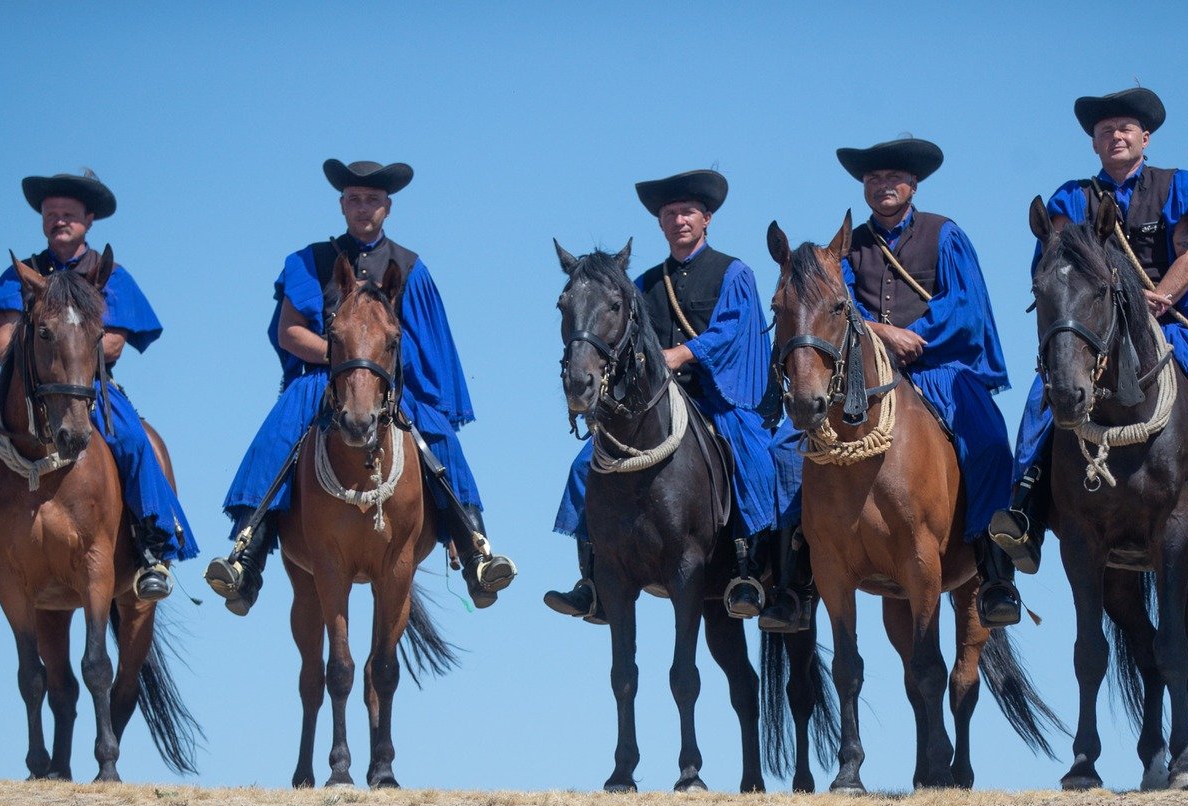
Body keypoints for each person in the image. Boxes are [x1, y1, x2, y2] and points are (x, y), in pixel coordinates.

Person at [995, 87, 1188, 589]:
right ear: (1094, 144)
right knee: (1046, 392)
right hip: (1098, 331)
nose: (1116, 136)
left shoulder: (1177, 185)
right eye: (1105, 131)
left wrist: (1159, 298)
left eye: (1125, 128)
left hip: (1163, 325)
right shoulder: (1071, 198)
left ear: (1145, 138)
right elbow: (1056, 259)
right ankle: (1025, 506)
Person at [207, 159, 516, 613]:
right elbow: (289, 333)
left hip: (389, 383)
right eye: (354, 199)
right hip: (324, 378)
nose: (363, 207)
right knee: (278, 434)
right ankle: (246, 558)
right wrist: (343, 359)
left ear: (387, 208)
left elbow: (426, 345)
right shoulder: (310, 261)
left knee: (440, 440)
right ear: (341, 205)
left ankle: (475, 551)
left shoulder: (410, 267)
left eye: (372, 200)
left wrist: (377, 370)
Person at [0, 170, 194, 624]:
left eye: (69, 214)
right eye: (51, 214)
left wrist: (67, 345)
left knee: (135, 443)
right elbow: (3, 340)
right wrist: (41, 351)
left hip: (90, 386)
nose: (59, 220)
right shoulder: (22, 272)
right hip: (23, 385)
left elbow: (114, 343)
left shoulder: (107, 274)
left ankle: (152, 548)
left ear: (89, 220)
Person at [778, 138, 1019, 625]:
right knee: (785, 448)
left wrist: (917, 335)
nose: (882, 185)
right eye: (873, 178)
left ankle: (995, 567)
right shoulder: (843, 251)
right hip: (861, 372)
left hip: (938, 367)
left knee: (990, 442)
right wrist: (883, 334)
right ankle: (793, 577)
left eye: (892, 177)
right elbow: (834, 310)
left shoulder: (945, 234)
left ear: (913, 185)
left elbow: (965, 307)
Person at [544, 169, 794, 626]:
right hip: (656, 401)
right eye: (670, 213)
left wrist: (683, 353)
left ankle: (753, 573)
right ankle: (592, 582)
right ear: (660, 223)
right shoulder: (641, 284)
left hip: (717, 398)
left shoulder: (734, 272)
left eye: (687, 212)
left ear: (706, 219)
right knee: (585, 465)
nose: (679, 220)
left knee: (758, 460)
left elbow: (733, 332)